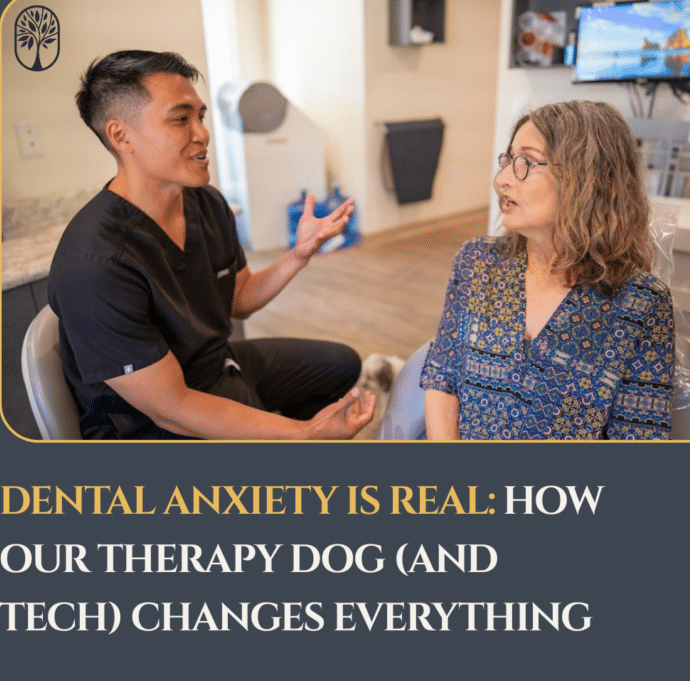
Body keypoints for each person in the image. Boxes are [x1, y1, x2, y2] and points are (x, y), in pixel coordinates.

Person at [48, 50, 374, 440]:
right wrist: (302, 432)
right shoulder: (95, 262)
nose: (202, 133)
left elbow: (238, 297)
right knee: (291, 434)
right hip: (149, 423)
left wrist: (298, 255)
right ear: (121, 135)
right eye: (180, 119)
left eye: (200, 117)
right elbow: (173, 408)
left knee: (339, 365)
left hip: (214, 367)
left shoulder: (207, 203)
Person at [421, 100, 675, 440]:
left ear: (586, 179)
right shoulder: (477, 262)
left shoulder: (641, 304)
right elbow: (442, 377)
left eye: (526, 162)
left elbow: (639, 443)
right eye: (508, 160)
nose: (502, 180)